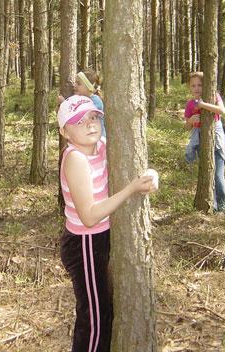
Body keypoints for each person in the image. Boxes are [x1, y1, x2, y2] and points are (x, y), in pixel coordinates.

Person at [58, 95, 158, 351]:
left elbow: (133, 158)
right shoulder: (75, 159)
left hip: (101, 239)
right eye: (79, 121)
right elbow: (89, 217)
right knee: (95, 320)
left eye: (93, 117)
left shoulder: (101, 146)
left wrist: (150, 175)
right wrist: (131, 189)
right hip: (85, 245)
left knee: (106, 311)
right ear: (64, 131)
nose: (90, 124)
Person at [184, 71, 225, 212]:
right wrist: (191, 121)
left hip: (217, 143)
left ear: (206, 85)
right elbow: (186, 126)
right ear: (189, 87)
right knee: (208, 175)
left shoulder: (214, 97)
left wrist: (203, 105)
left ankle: (224, 207)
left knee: (218, 175)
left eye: (200, 85)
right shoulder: (189, 104)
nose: (197, 88)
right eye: (193, 86)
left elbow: (221, 110)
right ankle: (213, 205)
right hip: (201, 143)